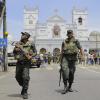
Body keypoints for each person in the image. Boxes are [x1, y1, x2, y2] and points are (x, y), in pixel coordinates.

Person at [13, 32, 37, 99]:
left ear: (27, 37)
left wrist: (31, 55)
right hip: (19, 62)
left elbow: (35, 52)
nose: (22, 36)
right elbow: (14, 52)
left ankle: (25, 92)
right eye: (22, 35)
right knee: (17, 77)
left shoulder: (31, 43)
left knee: (25, 77)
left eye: (23, 35)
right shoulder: (18, 43)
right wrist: (16, 56)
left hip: (26, 63)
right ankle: (23, 86)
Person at [60, 30, 83, 94]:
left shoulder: (76, 41)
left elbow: (80, 48)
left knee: (71, 73)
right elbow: (62, 51)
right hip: (65, 58)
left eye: (70, 33)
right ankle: (65, 86)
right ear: (67, 34)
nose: (69, 34)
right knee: (65, 72)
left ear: (72, 34)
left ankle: (69, 86)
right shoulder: (64, 41)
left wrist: (82, 55)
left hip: (73, 59)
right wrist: (60, 60)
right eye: (68, 34)